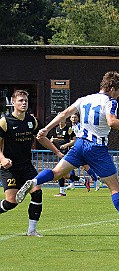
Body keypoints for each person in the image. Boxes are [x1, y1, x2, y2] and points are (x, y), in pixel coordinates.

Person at [16, 71, 119, 236]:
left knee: (56, 173)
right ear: (112, 88)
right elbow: (112, 122)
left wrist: (46, 129)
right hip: (96, 148)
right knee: (114, 187)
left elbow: (63, 114)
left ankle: (34, 181)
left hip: (79, 145)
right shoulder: (110, 101)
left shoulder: (84, 99)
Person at [0, 90, 64, 236]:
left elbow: (41, 138)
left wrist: (58, 153)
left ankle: (32, 231)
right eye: (21, 100)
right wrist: (2, 159)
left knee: (37, 193)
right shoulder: (5, 122)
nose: (24, 103)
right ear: (13, 103)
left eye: (26, 101)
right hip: (9, 168)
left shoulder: (32, 121)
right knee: (11, 202)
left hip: (26, 166)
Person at [50, 120, 89, 196]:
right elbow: (61, 139)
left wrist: (66, 145)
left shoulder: (69, 129)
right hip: (60, 152)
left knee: (59, 172)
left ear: (64, 120)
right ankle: (83, 181)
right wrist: (54, 140)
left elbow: (74, 140)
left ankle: (62, 192)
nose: (60, 121)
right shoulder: (57, 129)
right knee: (64, 174)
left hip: (66, 152)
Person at [68, 113, 103, 191]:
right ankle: (72, 184)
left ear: (78, 118)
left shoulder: (80, 126)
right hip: (73, 148)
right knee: (70, 165)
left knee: (85, 166)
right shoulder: (70, 128)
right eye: (72, 117)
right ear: (70, 118)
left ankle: (96, 180)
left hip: (80, 148)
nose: (73, 119)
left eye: (75, 117)